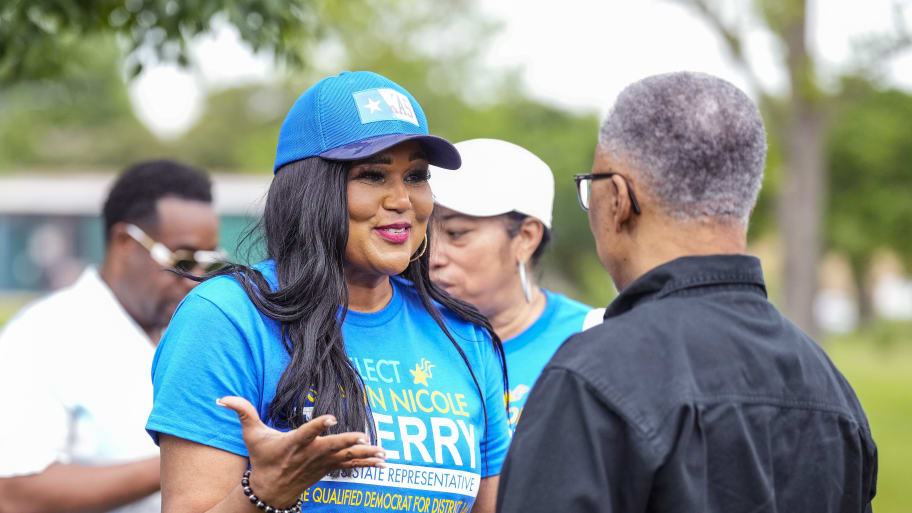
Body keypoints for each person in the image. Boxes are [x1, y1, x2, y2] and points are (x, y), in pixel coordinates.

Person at [497, 72, 877, 512]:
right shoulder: (832, 391)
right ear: (744, 205)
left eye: (593, 188)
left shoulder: (593, 378)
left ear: (619, 199)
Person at [145, 71, 510, 513]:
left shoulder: (465, 337)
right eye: (374, 175)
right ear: (310, 192)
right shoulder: (227, 318)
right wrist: (264, 492)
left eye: (415, 176)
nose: (402, 200)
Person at [0, 160, 221, 513]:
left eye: (209, 262)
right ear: (125, 242)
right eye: (182, 260)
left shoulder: (203, 332)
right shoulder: (40, 337)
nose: (196, 277)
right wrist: (195, 455)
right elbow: (13, 491)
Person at [429, 138, 603, 429]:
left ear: (525, 238)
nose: (431, 256)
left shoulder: (594, 338)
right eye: (423, 232)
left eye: (456, 233)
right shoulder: (403, 335)